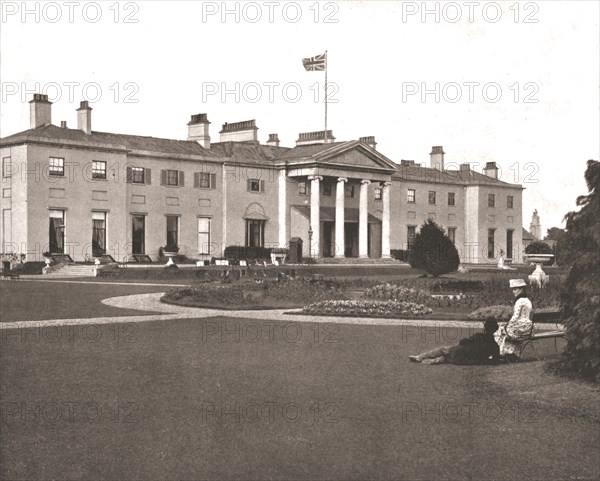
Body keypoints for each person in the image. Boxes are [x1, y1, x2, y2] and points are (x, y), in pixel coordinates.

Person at [409, 319, 500, 365]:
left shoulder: (478, 336)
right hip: (462, 362)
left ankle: (421, 357)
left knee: (443, 350)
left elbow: (462, 342)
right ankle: (431, 361)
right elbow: (495, 361)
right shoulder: (494, 346)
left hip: (458, 353)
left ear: (485, 328)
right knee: (445, 358)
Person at [493, 279, 533, 362]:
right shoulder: (527, 300)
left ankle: (500, 353)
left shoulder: (520, 301)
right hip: (527, 328)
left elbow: (515, 317)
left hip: (521, 328)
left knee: (499, 331)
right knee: (503, 330)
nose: (513, 291)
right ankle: (509, 354)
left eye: (515, 289)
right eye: (513, 289)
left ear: (521, 289)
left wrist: (508, 324)